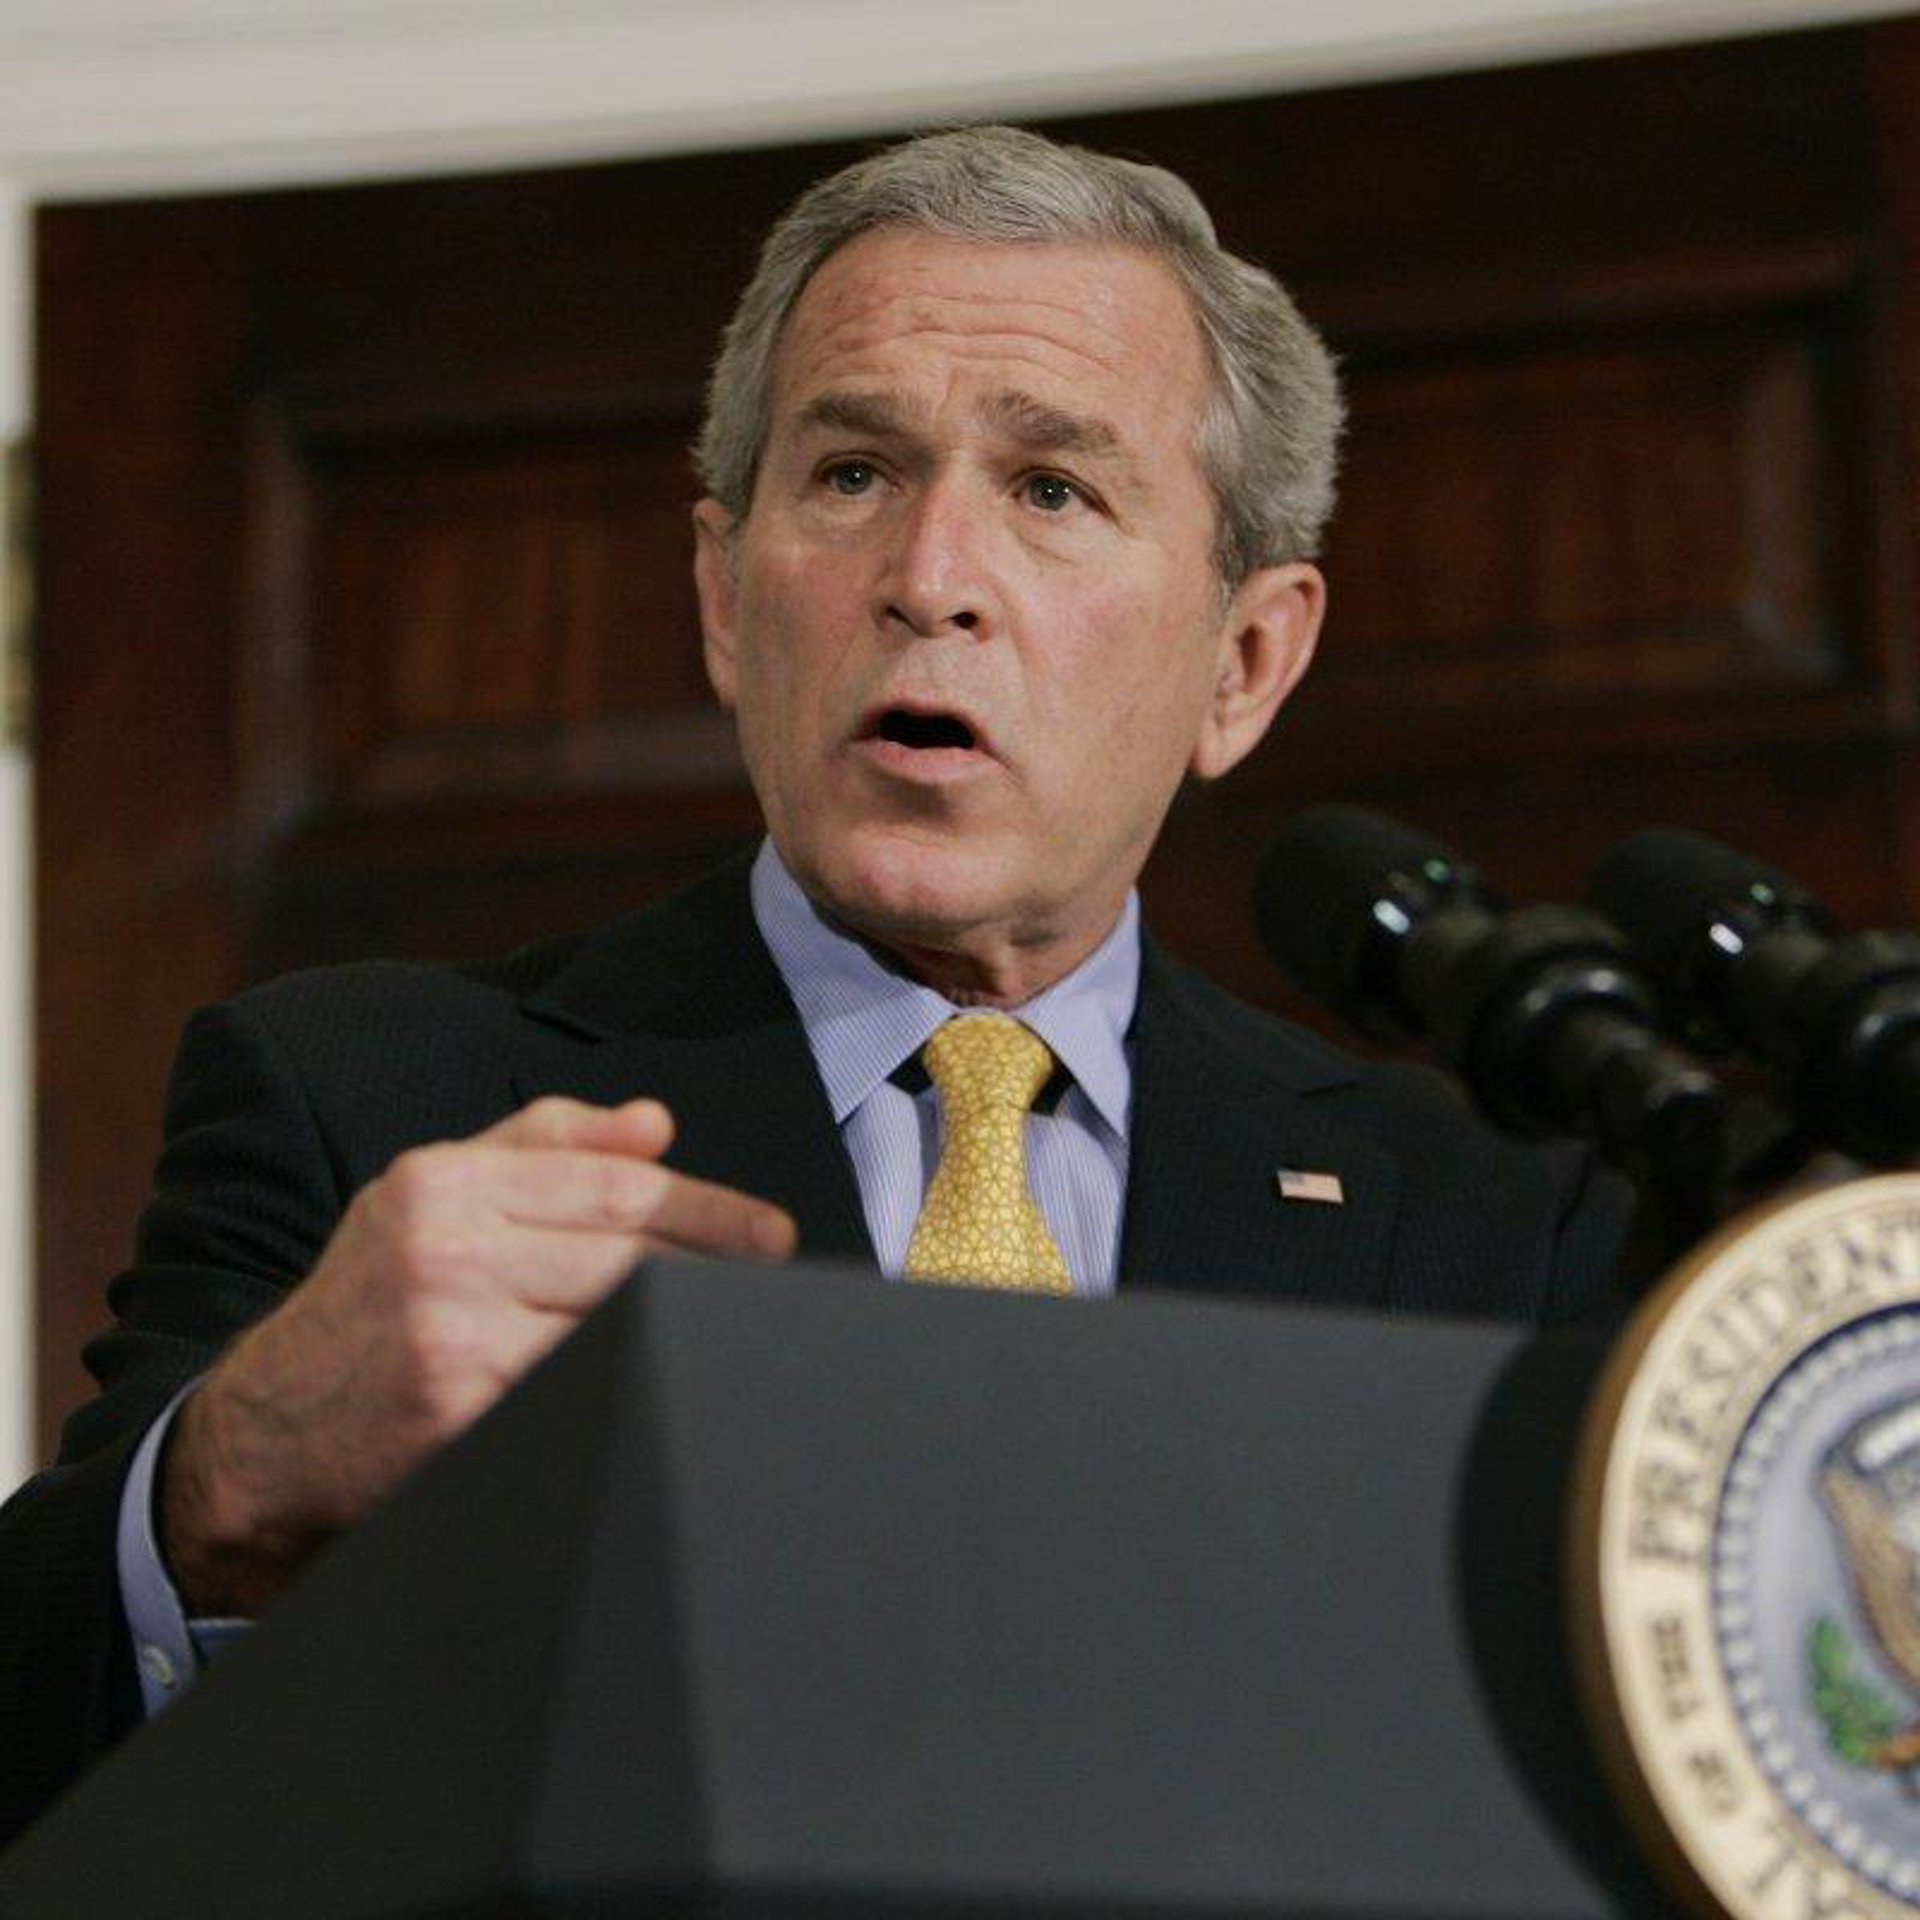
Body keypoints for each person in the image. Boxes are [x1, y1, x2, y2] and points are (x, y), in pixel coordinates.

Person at [0, 124, 1629, 1844]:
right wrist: (225, 1479)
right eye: (853, 474)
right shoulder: (369, 1100)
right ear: (724, 597)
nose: (928, 580)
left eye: (1052, 491)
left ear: (1245, 659)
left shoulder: (1488, 1221)